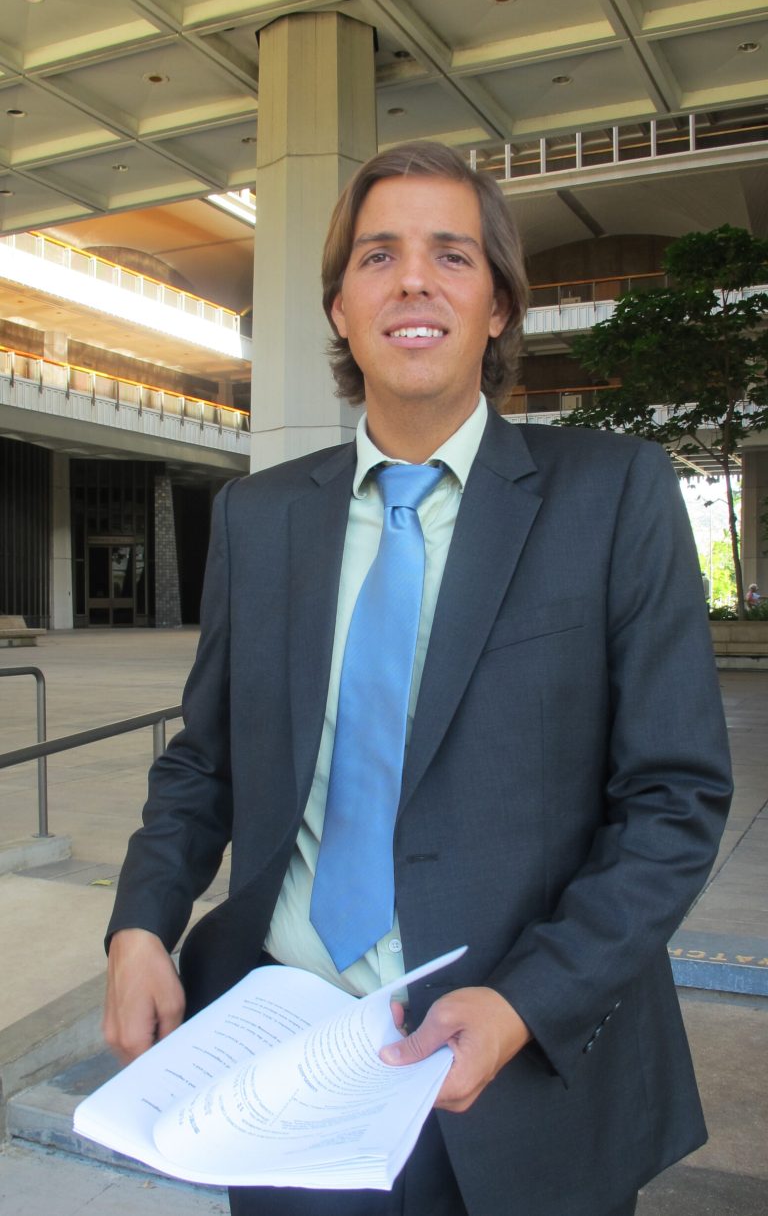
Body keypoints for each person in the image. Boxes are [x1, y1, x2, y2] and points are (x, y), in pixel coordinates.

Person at [103, 142, 732, 1216]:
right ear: (341, 307)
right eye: (378, 255)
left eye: (452, 255)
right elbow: (205, 758)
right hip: (285, 1054)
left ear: (496, 307)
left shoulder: (612, 493)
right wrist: (137, 927)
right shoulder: (263, 520)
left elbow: (674, 799)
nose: (413, 280)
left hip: (513, 1065)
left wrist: (527, 1001)